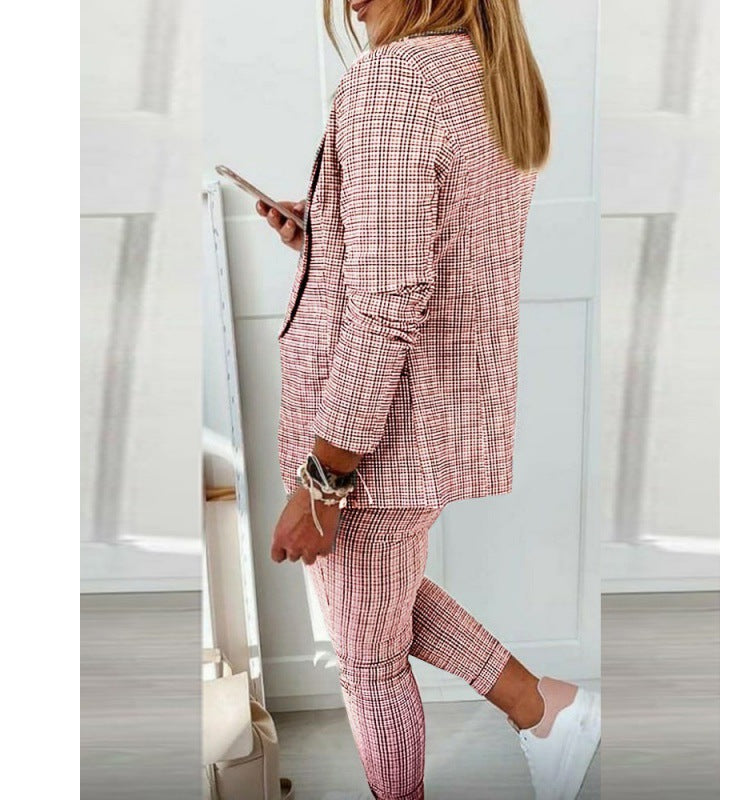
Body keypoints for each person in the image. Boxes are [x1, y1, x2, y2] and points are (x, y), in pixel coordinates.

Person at [261, 2, 600, 798]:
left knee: (367, 660)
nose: (349, 1)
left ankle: (542, 713)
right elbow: (440, 240)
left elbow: (388, 302)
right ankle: (545, 709)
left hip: (377, 428)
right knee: (381, 600)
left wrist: (323, 480)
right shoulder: (486, 71)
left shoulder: (395, 80)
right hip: (437, 409)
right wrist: (329, 228)